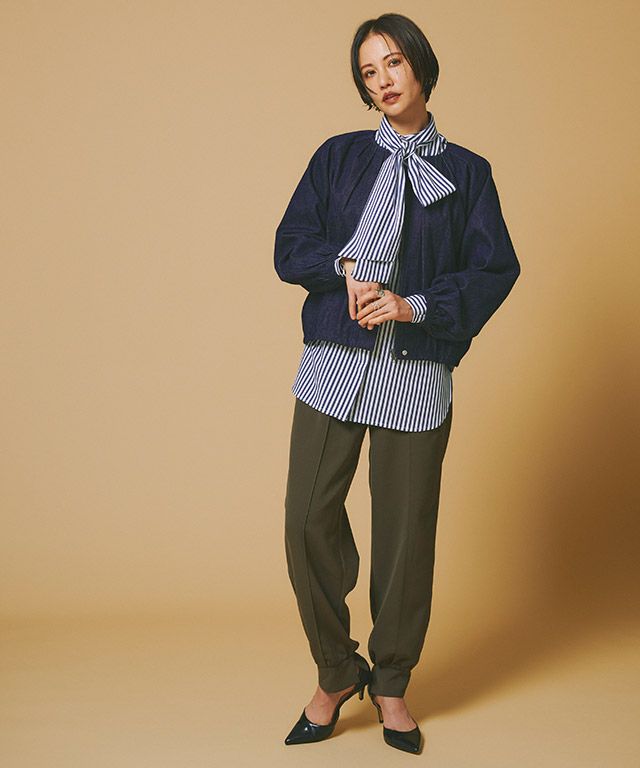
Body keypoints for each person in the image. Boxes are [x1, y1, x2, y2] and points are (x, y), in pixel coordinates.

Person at [273, 12, 520, 755]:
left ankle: (390, 683)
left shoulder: (468, 173)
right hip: (334, 361)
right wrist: (344, 267)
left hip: (416, 370)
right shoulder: (338, 157)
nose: (382, 80)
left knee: (406, 536)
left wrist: (416, 306)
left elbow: (494, 269)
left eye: (393, 63)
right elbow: (290, 245)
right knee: (306, 518)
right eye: (368, 70)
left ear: (420, 65)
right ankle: (335, 669)